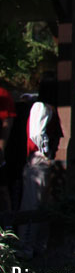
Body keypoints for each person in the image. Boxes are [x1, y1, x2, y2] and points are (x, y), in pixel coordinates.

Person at [19, 80, 63, 258]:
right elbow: (38, 133)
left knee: (38, 204)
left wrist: (46, 153)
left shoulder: (43, 106)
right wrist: (48, 153)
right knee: (37, 204)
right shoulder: (44, 106)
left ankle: (32, 246)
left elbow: (37, 133)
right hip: (43, 159)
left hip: (41, 160)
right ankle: (30, 246)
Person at [0, 80, 16, 212]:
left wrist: (1, 148)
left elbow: (7, 124)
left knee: (3, 190)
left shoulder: (3, 95)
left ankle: (7, 226)